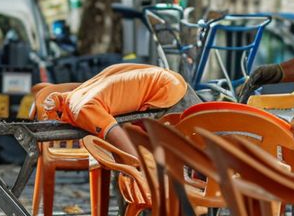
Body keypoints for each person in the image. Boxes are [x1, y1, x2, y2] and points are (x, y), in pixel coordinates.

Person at [43, 63, 199, 154]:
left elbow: (114, 133)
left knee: (202, 148)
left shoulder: (80, 109)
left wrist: (138, 167)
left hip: (168, 93)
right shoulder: (77, 93)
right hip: (167, 81)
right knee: (206, 139)